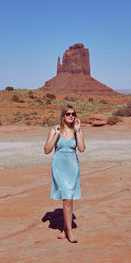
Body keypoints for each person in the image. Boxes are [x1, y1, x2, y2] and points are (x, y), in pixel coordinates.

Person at [44, 104, 85, 243]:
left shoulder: (77, 130)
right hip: (59, 167)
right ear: (63, 116)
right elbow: (47, 150)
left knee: (69, 199)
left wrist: (78, 131)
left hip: (72, 167)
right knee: (66, 198)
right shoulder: (55, 129)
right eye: (68, 114)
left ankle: (65, 229)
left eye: (73, 114)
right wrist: (56, 135)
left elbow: (81, 148)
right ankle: (69, 232)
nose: (71, 116)